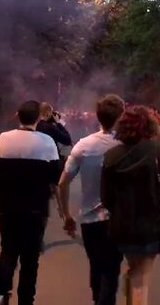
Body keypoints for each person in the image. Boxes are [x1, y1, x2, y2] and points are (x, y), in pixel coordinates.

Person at [101, 106, 160, 305]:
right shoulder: (156, 153)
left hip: (122, 227)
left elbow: (106, 197)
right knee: (141, 279)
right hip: (151, 225)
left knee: (133, 271)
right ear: (149, 126)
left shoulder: (111, 156)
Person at [0, 101, 61, 305]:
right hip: (36, 208)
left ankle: (1, 295)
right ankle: (26, 299)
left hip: (8, 207)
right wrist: (60, 207)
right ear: (38, 118)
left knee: (8, 250)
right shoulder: (46, 142)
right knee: (30, 256)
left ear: (17, 116)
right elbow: (56, 179)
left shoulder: (2, 139)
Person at [57, 95, 125, 305]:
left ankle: (98, 298)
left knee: (96, 267)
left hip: (90, 220)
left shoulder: (83, 146)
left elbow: (63, 183)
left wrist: (66, 214)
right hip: (118, 219)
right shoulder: (127, 145)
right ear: (121, 116)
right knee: (111, 272)